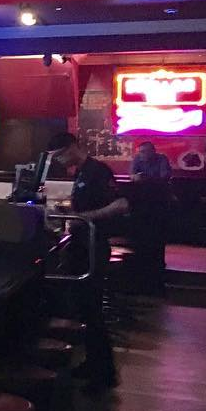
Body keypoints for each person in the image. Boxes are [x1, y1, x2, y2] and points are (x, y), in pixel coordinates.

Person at [49, 132, 129, 391]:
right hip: (82, 246)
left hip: (94, 247)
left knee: (92, 311)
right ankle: (92, 363)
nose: (60, 161)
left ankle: (104, 375)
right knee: (84, 309)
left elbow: (121, 204)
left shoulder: (98, 171)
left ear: (72, 147)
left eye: (61, 155)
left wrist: (85, 217)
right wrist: (70, 214)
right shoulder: (81, 173)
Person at [128, 141, 172, 295]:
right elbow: (132, 176)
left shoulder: (162, 159)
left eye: (145, 151)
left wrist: (145, 178)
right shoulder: (137, 159)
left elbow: (164, 177)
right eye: (140, 152)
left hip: (159, 203)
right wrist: (138, 177)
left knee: (157, 238)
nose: (142, 155)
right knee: (142, 238)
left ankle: (158, 271)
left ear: (153, 151)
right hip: (141, 204)